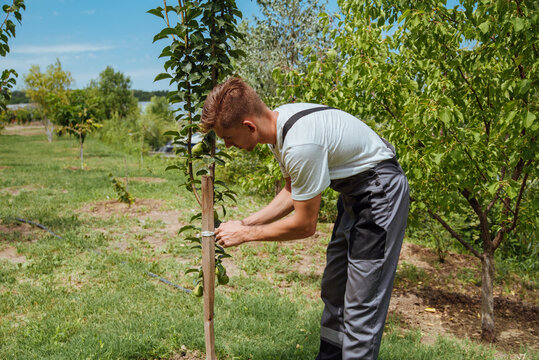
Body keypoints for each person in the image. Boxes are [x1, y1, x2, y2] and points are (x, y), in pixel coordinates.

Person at [201, 77, 409, 360]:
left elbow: (304, 225)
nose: (227, 145)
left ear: (249, 126)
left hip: (379, 194)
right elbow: (291, 191)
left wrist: (246, 235)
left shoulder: (300, 144)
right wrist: (246, 223)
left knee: (361, 304)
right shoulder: (280, 127)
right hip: (354, 196)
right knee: (335, 289)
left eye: (228, 138)